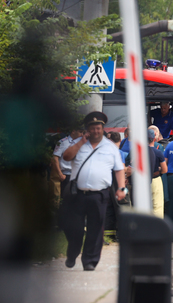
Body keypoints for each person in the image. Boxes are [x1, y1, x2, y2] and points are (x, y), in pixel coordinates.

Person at [61, 112, 127, 271]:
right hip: (77, 194)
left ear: (102, 128)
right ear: (88, 129)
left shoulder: (110, 147)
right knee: (73, 228)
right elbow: (66, 156)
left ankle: (90, 260)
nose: (96, 131)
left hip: (99, 194)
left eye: (98, 128)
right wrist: (80, 142)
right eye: (93, 128)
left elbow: (119, 169)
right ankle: (72, 252)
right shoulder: (79, 144)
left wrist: (121, 188)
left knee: (96, 228)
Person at [52, 128, 82, 210]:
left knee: (77, 198)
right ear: (73, 131)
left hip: (78, 175)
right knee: (65, 198)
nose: (81, 134)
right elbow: (55, 157)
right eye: (80, 131)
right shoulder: (63, 142)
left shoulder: (81, 143)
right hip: (67, 174)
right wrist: (60, 174)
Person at [147, 129, 167, 219]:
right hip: (155, 179)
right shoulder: (158, 152)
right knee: (157, 206)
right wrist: (160, 171)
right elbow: (165, 169)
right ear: (154, 139)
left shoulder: (139, 151)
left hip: (142, 181)